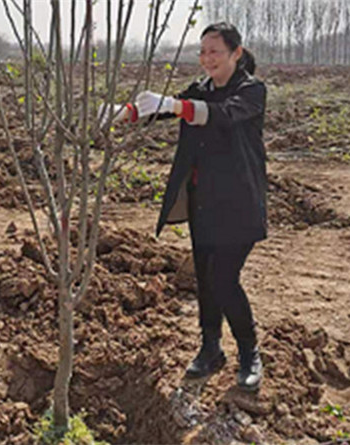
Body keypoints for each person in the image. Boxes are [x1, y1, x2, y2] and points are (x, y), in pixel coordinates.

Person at [104, 23, 266, 391]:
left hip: (239, 203)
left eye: (215, 51)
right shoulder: (200, 89)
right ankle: (210, 349)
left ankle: (249, 352)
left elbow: (223, 114)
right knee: (207, 280)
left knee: (224, 279)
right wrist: (122, 112)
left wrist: (179, 106)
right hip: (203, 202)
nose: (207, 58)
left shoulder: (251, 91)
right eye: (203, 51)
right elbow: (165, 110)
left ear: (235, 53)